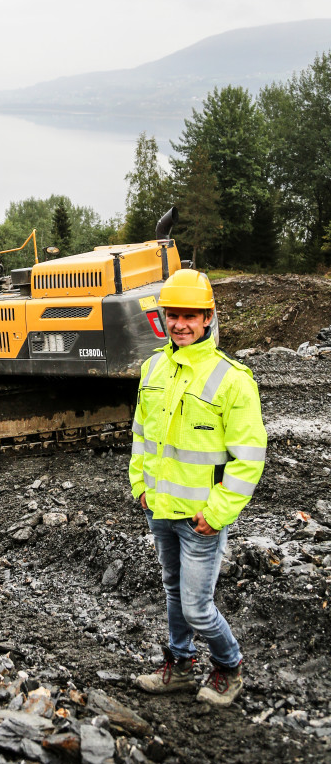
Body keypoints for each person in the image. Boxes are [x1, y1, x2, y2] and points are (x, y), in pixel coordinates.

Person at [129, 268, 266, 708]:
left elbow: (248, 459)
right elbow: (140, 434)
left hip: (202, 519)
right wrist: (141, 487)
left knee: (196, 606)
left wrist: (219, 513)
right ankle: (181, 666)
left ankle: (229, 666)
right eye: (174, 315)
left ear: (208, 318)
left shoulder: (233, 379)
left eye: (192, 315)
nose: (181, 324)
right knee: (173, 591)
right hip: (161, 509)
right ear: (164, 317)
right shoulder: (153, 367)